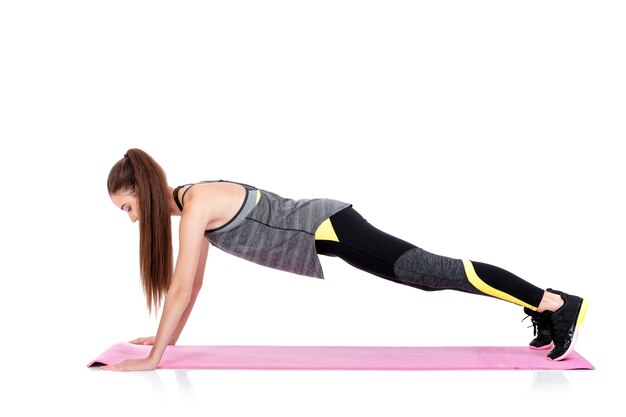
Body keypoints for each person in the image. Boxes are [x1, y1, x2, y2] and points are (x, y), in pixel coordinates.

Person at [101, 148, 588, 371]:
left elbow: (183, 287)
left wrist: (155, 358)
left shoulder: (195, 206)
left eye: (127, 207)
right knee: (426, 276)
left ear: (140, 190)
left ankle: (554, 303)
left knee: (431, 271)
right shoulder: (192, 205)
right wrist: (168, 341)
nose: (130, 218)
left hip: (326, 225)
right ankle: (544, 305)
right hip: (328, 228)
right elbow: (194, 285)